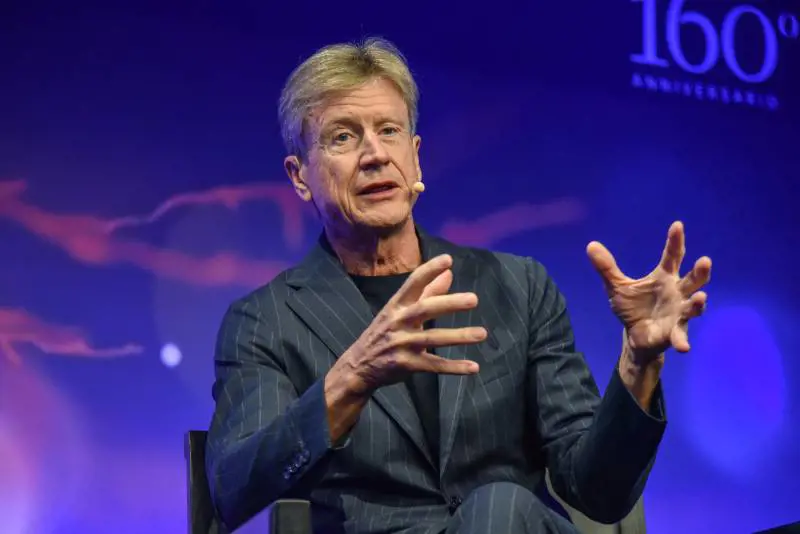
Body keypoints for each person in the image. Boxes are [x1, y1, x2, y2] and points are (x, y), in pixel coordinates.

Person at [205, 37, 712, 534]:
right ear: (299, 176)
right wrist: (351, 378)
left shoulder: (518, 287)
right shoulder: (266, 321)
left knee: (498, 507)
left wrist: (639, 362)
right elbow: (234, 486)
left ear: (416, 156)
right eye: (343, 137)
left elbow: (598, 492)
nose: (375, 154)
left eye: (389, 131)